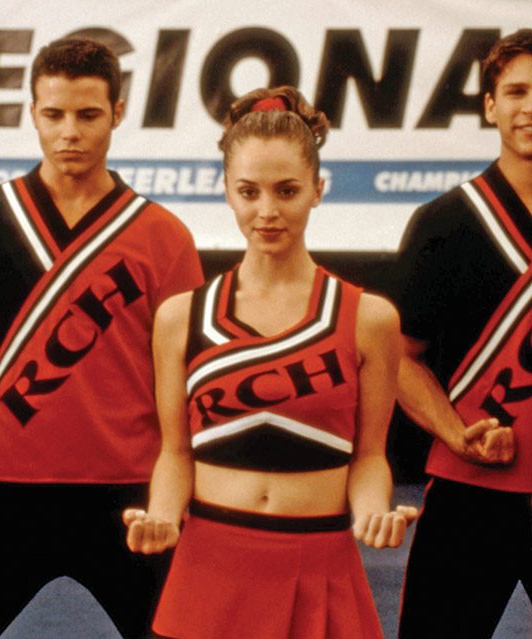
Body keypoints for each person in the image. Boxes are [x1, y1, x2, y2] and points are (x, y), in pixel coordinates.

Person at [0, 38, 204, 638]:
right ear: (32, 114)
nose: (70, 132)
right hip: (3, 487)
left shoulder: (163, 236)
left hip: (129, 494)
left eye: (88, 115)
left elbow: (190, 378)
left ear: (117, 113)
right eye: (54, 114)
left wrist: (177, 496)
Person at [124, 86, 417, 638]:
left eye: (287, 191)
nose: (267, 211)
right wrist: (161, 515)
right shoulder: (180, 317)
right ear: (227, 193)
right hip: (209, 566)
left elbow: (369, 457)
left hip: (320, 563)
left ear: (318, 190)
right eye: (248, 191)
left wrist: (372, 512)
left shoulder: (369, 318)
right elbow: (175, 454)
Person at [393, 29, 532, 639]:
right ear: (491, 106)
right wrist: (457, 433)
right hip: (472, 488)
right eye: (517, 92)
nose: (530, 107)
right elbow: (399, 358)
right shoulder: (446, 223)